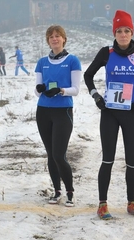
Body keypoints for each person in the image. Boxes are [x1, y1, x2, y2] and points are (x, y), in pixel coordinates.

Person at [84, 10, 134, 219]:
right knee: (107, 159)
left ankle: (131, 202)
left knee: (132, 161)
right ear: (114, 33)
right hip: (109, 113)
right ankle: (102, 204)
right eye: (119, 31)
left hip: (130, 113)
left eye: (127, 31)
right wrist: (96, 96)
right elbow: (88, 75)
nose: (123, 35)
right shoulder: (106, 52)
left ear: (132, 32)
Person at [34, 25, 82, 207]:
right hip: (44, 111)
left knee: (59, 155)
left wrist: (61, 90)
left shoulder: (72, 61)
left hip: (63, 111)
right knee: (50, 154)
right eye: (51, 37)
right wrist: (40, 90)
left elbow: (75, 90)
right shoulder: (42, 62)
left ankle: (70, 191)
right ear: (48, 40)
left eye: (58, 36)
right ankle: (57, 191)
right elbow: (38, 91)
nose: (54, 39)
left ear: (64, 39)